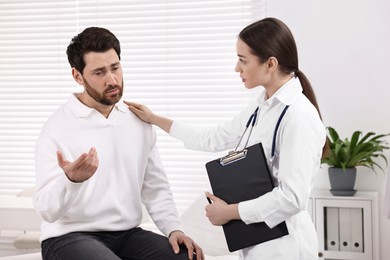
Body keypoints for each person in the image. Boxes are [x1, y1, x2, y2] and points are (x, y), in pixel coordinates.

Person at [125, 17, 327, 260]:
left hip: (286, 247)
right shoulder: (262, 105)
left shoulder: (299, 116)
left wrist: (230, 212)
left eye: (243, 60)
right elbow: (216, 137)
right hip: (256, 241)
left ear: (270, 63)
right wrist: (155, 119)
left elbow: (292, 198)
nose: (236, 68)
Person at [33, 26, 204, 260]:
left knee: (187, 257)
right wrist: (70, 180)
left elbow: (155, 187)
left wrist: (173, 228)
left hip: (127, 235)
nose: (112, 79)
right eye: (99, 72)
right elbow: (46, 210)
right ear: (77, 76)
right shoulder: (57, 128)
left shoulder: (138, 120)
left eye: (115, 68)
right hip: (68, 236)